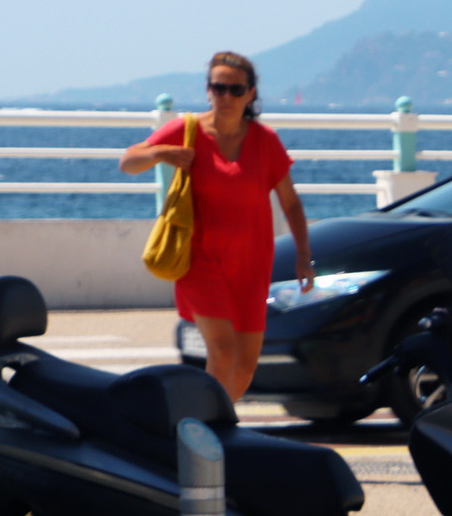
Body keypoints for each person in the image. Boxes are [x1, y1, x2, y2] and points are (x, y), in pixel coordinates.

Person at [119, 52, 310, 406]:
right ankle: (205, 437)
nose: (225, 97)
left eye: (234, 90)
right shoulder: (188, 131)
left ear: (250, 94)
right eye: (217, 88)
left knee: (246, 366)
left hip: (251, 267)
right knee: (222, 354)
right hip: (201, 262)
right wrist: (161, 152)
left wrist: (303, 255)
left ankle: (206, 424)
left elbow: (291, 202)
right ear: (208, 90)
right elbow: (128, 162)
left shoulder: (265, 141)